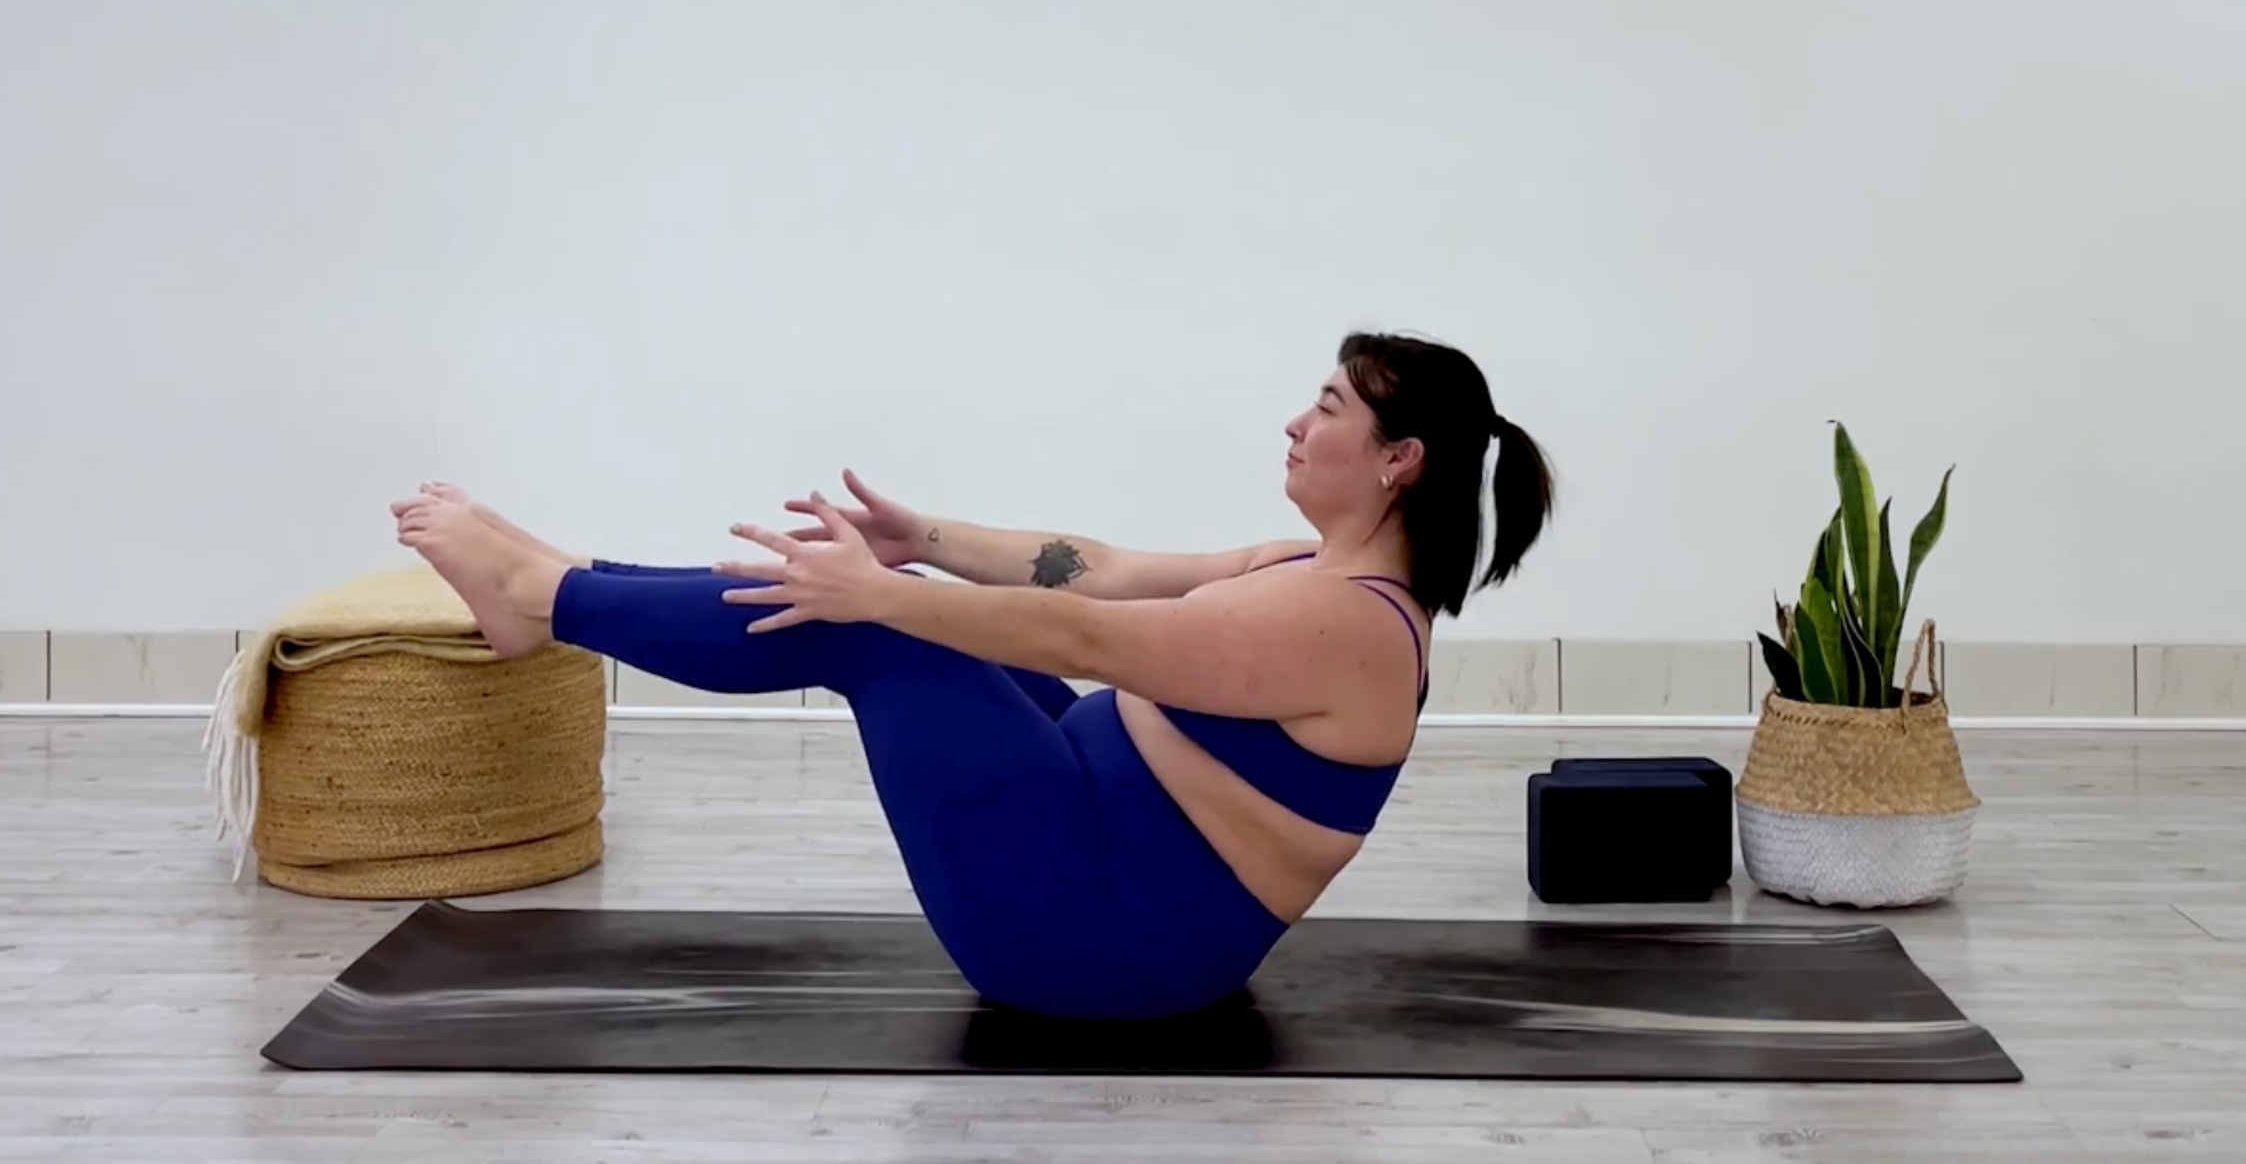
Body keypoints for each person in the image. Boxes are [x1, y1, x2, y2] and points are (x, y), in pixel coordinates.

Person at [391, 331, 1556, 1021]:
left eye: (1331, 407)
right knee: (883, 609)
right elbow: (1096, 575)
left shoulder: (1350, 627)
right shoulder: (1308, 568)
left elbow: (1091, 646)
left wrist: (887, 598)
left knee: (879, 631)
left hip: (1094, 942)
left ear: (1399, 461)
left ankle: (545, 602)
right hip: (1091, 834)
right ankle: (570, 580)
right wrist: (921, 542)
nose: (1297, 422)